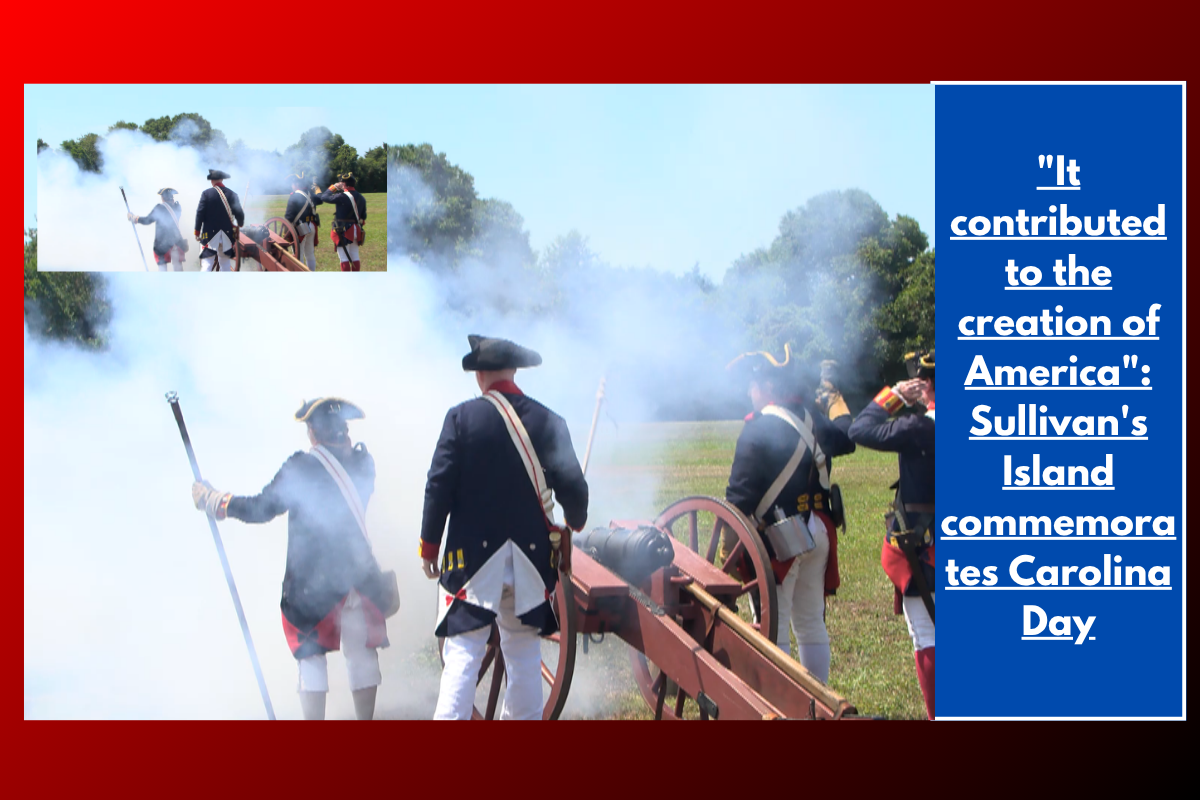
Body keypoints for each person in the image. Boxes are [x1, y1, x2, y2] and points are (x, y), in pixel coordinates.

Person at [190, 397, 391, 720]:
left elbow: (261, 509)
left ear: (312, 431)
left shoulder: (302, 466)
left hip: (315, 586)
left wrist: (215, 501)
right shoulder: (363, 463)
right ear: (343, 430)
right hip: (360, 576)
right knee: (361, 655)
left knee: (311, 659)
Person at [421, 335, 588, 720]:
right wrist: (575, 521)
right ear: (513, 371)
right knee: (524, 651)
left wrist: (429, 546)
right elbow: (574, 487)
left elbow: (438, 486)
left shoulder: (461, 419)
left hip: (474, 560)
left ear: (480, 375)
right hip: (530, 559)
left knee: (463, 650)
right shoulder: (549, 420)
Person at [723, 345, 854, 685]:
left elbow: (738, 501)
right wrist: (832, 396)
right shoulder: (814, 421)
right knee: (811, 621)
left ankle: (779, 707)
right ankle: (818, 703)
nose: (749, 392)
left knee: (774, 625)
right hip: (819, 533)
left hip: (780, 541)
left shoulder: (756, 429)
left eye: (753, 385)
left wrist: (727, 554)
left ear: (767, 387)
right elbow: (848, 435)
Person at [847, 350, 936, 720]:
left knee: (928, 638)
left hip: (926, 550)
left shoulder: (919, 427)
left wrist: (895, 396)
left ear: (926, 384)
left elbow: (859, 429)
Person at [194, 169, 245, 272]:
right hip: (227, 235)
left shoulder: (206, 194)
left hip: (209, 235)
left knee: (207, 263)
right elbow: (239, 214)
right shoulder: (232, 194)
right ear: (222, 179)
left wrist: (197, 231)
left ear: (212, 181)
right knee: (225, 264)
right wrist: (240, 224)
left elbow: (200, 214)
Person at [128, 188, 188, 271]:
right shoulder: (177, 207)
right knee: (178, 269)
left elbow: (147, 220)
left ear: (163, 197)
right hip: (177, 242)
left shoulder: (160, 208)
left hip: (163, 244)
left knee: (162, 269)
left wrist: (134, 218)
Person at [317, 172, 366, 272]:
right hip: (356, 230)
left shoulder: (342, 196)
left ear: (344, 184)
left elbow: (324, 197)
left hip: (344, 231)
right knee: (355, 257)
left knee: (344, 258)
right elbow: (363, 216)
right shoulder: (361, 197)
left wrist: (334, 187)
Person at [283, 172, 323, 271]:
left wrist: (286, 231)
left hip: (300, 228)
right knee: (310, 254)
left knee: (298, 255)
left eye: (292, 184)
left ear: (296, 184)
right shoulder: (311, 195)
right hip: (312, 226)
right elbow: (321, 199)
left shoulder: (294, 196)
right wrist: (316, 187)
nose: (292, 186)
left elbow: (289, 217)